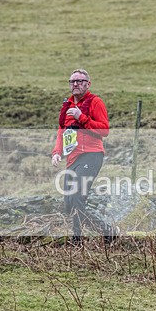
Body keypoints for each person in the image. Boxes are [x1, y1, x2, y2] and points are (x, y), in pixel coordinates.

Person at [51, 69, 115, 245]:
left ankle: (77, 239)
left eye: (80, 81)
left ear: (88, 84)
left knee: (77, 195)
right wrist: (57, 152)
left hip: (91, 155)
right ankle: (107, 231)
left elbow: (104, 130)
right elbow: (61, 132)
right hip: (72, 159)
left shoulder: (95, 102)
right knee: (69, 202)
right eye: (72, 81)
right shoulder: (67, 106)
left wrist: (83, 118)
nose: (76, 84)